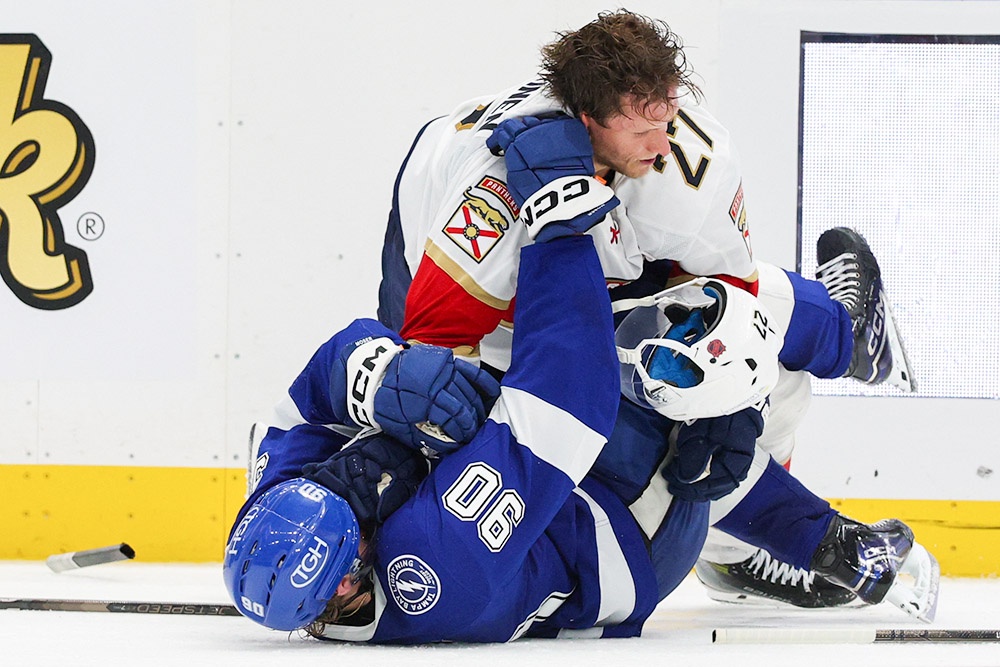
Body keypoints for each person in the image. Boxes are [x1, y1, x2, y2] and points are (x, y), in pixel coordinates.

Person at [373, 9, 914, 608]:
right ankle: (744, 555)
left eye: (667, 119)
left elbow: (732, 295)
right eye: (641, 131)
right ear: (587, 120)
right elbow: (431, 367)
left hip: (588, 239)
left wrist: (732, 406)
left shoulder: (685, 165)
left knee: (761, 382)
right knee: (621, 438)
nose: (661, 145)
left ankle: (849, 336)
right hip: (457, 271)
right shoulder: (493, 202)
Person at [224, 211, 935, 641]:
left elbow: (303, 401)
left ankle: (736, 557)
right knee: (684, 325)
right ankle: (848, 352)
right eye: (355, 536)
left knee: (446, 370)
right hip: (628, 546)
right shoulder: (434, 567)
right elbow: (565, 404)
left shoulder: (277, 517)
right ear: (346, 591)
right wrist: (559, 222)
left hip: (555, 505)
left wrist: (375, 376)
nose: (345, 494)